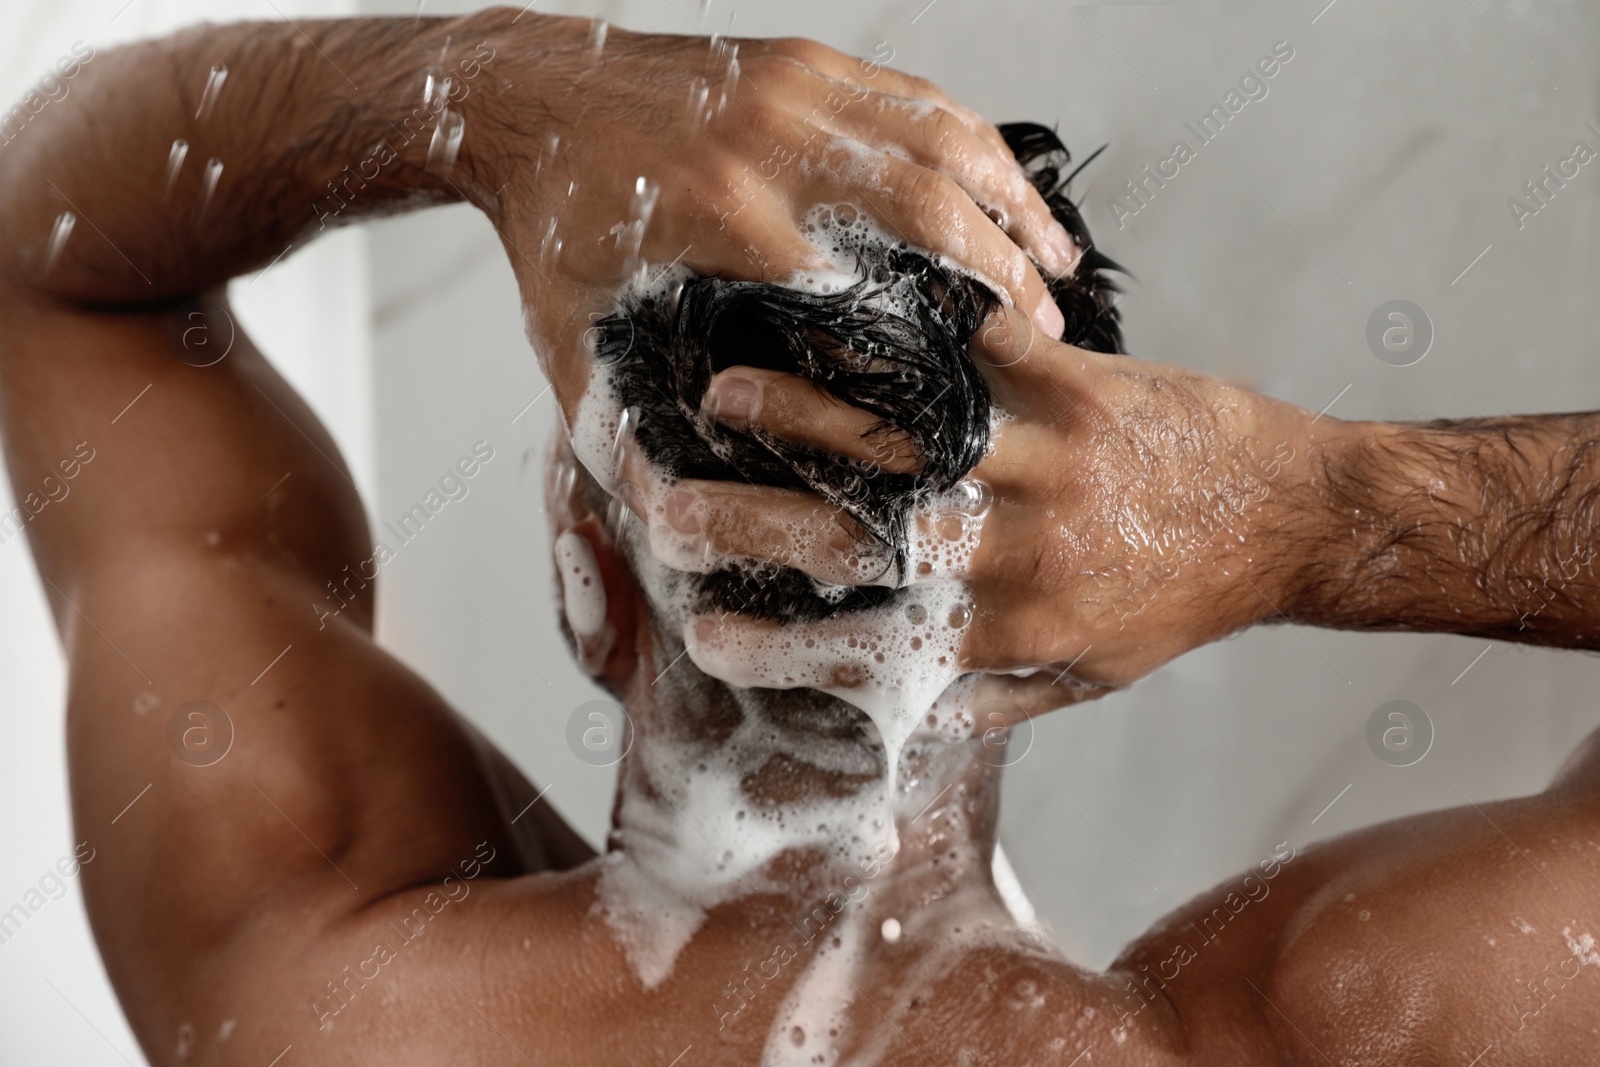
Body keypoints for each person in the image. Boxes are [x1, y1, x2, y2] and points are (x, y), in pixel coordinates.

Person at [1, 11, 1598, 1067]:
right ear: (1083, 602)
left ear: (584, 566)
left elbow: (49, 256)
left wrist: (482, 95)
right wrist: (1314, 515)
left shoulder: (309, 982)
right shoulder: (1322, 1026)